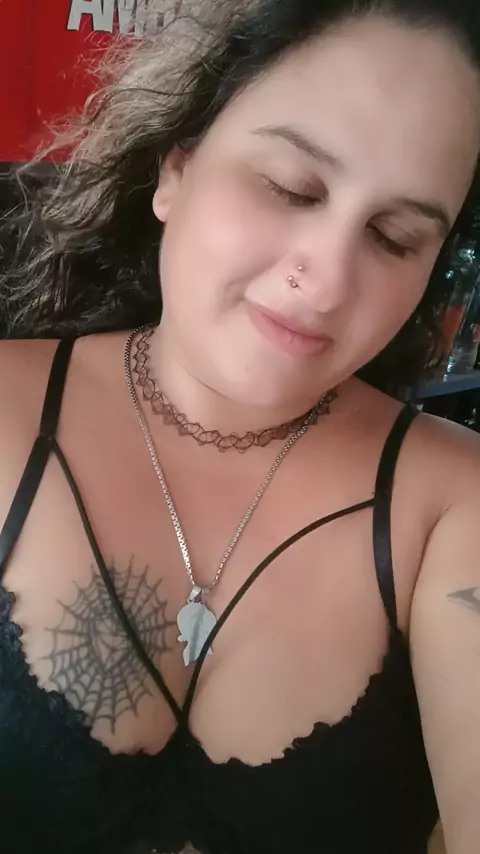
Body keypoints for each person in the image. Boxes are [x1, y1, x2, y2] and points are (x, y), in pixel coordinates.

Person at [0, 0, 480, 852]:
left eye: (394, 237)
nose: (327, 282)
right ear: (176, 170)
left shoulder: (454, 507)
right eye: (290, 187)